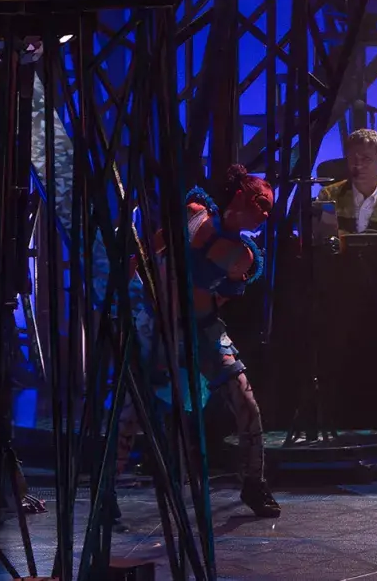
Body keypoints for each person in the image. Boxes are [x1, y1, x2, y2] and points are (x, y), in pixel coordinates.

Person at [116, 166, 279, 518]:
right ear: (240, 195)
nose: (266, 214)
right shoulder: (195, 214)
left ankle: (254, 482)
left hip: (202, 330)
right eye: (261, 203)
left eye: (270, 208)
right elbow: (155, 246)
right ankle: (107, 492)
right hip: (158, 326)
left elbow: (223, 294)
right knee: (129, 412)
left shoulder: (243, 255)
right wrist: (131, 272)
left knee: (246, 403)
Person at [315, 128, 377, 243]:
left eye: (366, 159)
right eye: (353, 159)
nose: (358, 166)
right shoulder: (328, 196)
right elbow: (317, 240)